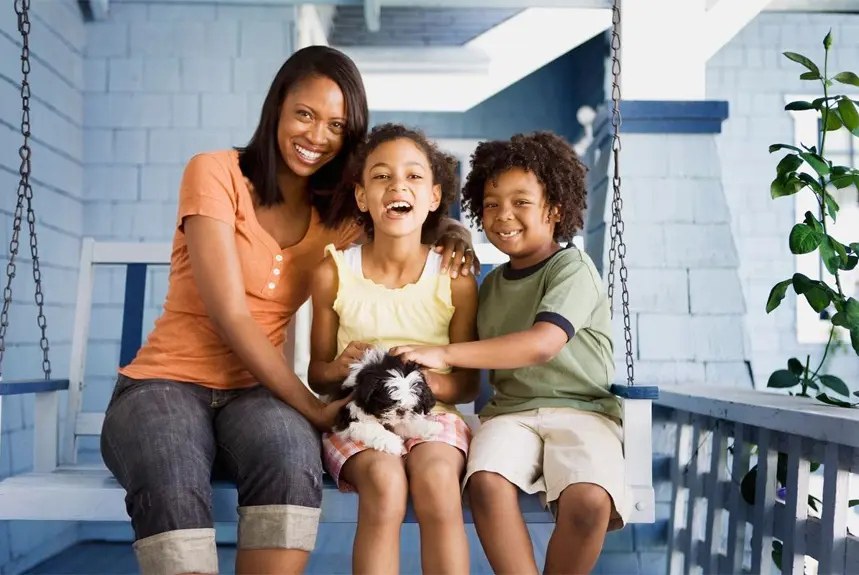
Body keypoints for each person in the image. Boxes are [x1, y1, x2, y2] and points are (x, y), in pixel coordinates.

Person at [99, 46, 477, 575]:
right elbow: (231, 313)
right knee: (172, 475)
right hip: (164, 382)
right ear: (277, 105)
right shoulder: (215, 172)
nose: (317, 136)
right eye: (305, 114)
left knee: (289, 459)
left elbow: (400, 217)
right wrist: (314, 406)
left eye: (337, 125)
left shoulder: (338, 217)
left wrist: (453, 231)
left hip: (256, 394)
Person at [392, 131, 628, 575]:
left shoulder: (572, 269)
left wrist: (445, 354)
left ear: (555, 209)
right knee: (484, 484)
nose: (504, 215)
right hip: (510, 415)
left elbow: (542, 344)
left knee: (590, 501)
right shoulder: (493, 283)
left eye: (522, 202)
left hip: (584, 412)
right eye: (492, 203)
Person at [307, 123, 480, 575]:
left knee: (438, 479)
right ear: (362, 197)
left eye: (413, 176)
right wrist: (339, 367)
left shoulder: (454, 277)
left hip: (432, 414)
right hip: (356, 419)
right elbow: (317, 374)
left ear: (435, 196)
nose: (398, 185)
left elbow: (465, 384)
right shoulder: (334, 272)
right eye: (381, 176)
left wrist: (421, 381)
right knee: (384, 482)